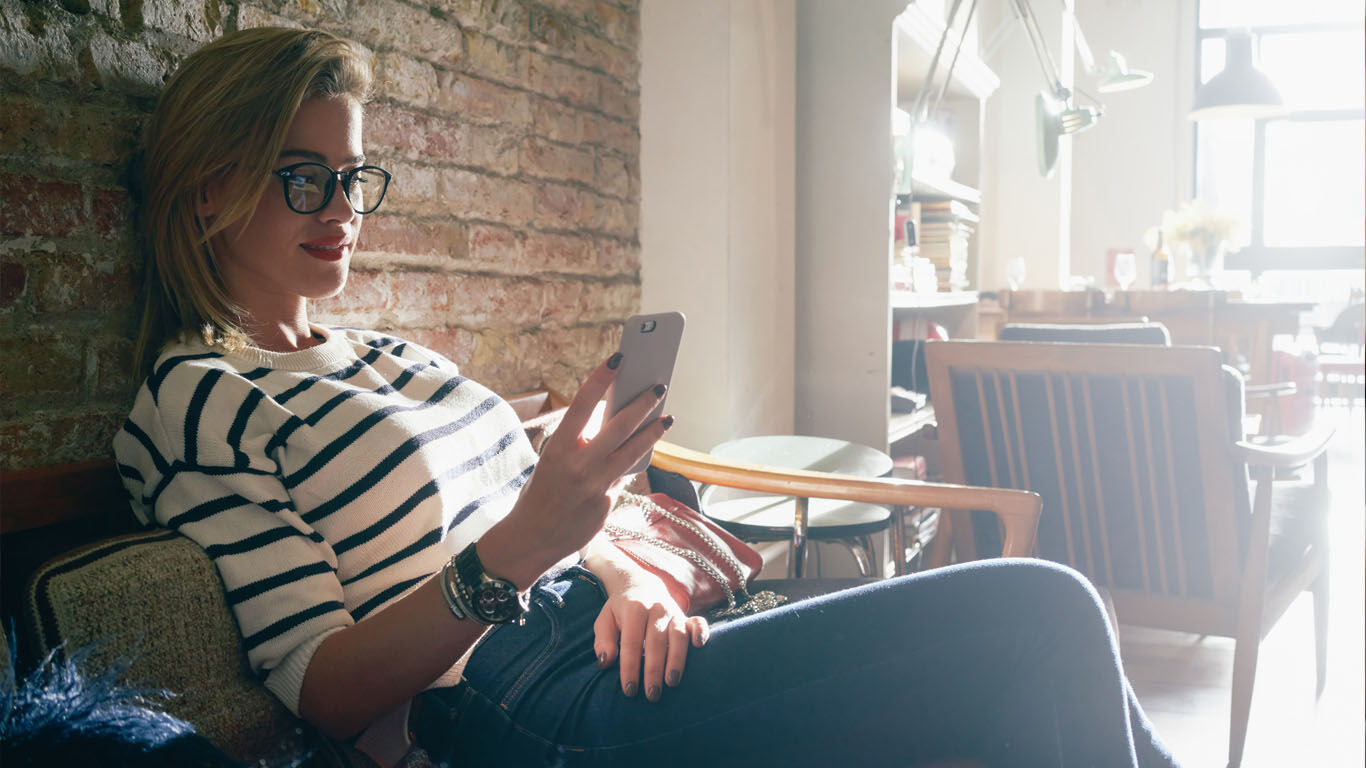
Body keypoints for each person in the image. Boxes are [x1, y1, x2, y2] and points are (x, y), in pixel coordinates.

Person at [113, 27, 1182, 768]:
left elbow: (550, 521)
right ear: (208, 185)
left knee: (1027, 655)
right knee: (1040, 610)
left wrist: (631, 573)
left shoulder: (392, 357)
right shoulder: (200, 400)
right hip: (524, 705)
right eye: (304, 178)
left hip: (614, 636)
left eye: (352, 178)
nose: (341, 209)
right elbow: (323, 688)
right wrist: (522, 553)